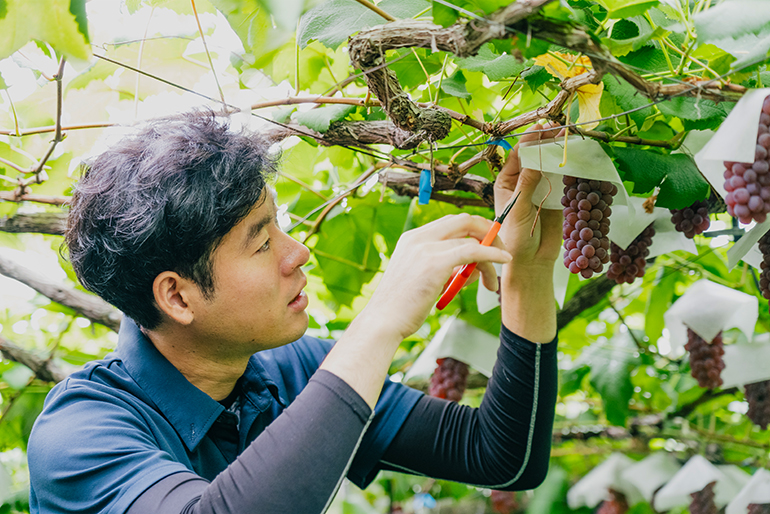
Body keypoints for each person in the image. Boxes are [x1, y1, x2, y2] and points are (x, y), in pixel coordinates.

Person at [27, 111, 561, 514]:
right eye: (261, 244)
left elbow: (500, 456)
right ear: (177, 297)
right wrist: (377, 322)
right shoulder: (80, 433)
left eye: (279, 225)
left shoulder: (294, 371)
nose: (297, 252)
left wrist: (529, 272)